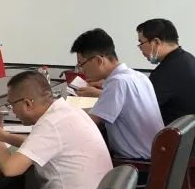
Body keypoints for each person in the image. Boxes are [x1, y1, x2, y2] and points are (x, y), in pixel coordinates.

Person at [70, 28, 163, 160]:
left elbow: (89, 123)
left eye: (81, 64)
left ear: (99, 60)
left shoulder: (117, 82)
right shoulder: (138, 76)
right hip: (155, 155)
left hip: (136, 164)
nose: (81, 70)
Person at [135, 18, 195, 126]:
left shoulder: (167, 71)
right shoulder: (187, 58)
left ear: (156, 42)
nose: (140, 48)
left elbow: (138, 106)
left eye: (141, 42)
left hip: (170, 132)